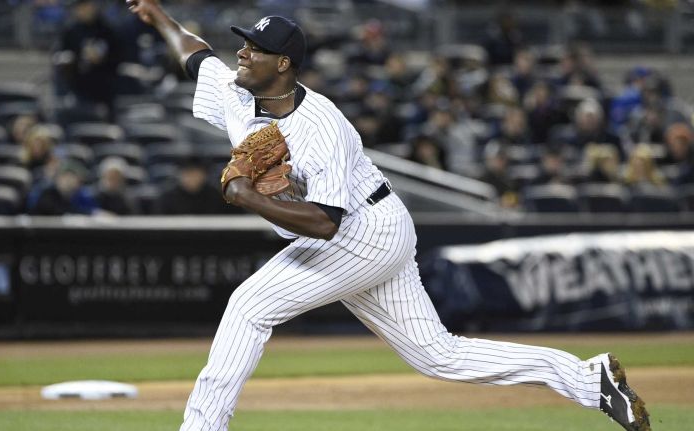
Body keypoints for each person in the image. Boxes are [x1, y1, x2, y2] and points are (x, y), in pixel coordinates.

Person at [127, 2, 651, 431]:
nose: (241, 53)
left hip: (361, 230)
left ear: (282, 63)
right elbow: (196, 57)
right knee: (438, 356)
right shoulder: (240, 94)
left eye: (254, 48)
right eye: (244, 44)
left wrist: (247, 197)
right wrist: (159, 18)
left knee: (248, 306)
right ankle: (588, 379)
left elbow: (326, 221)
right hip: (369, 227)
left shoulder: (320, 125)